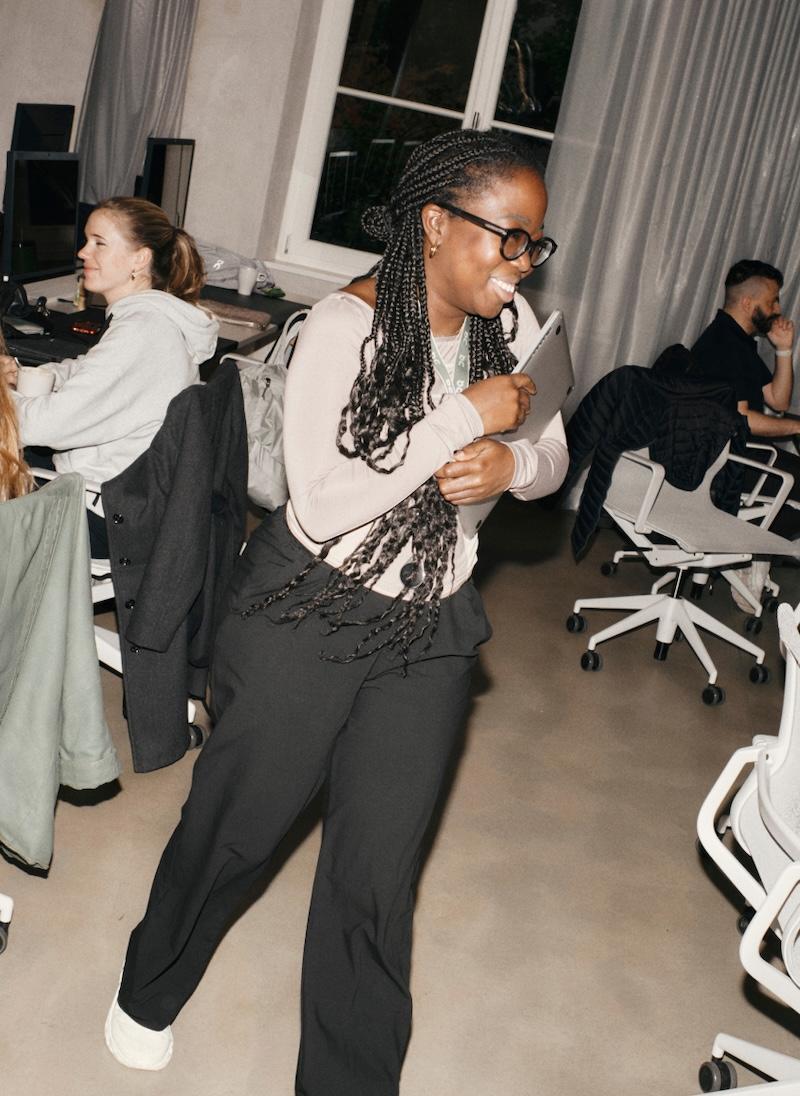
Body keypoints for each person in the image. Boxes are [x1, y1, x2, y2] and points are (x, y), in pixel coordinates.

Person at [103, 129, 569, 1093]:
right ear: (437, 225)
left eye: (535, 244)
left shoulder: (514, 328)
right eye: (507, 238)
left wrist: (517, 463)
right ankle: (147, 988)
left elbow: (556, 445)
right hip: (303, 611)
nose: (522, 265)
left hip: (430, 625)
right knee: (238, 829)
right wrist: (462, 419)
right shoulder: (340, 330)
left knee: (376, 875)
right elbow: (320, 500)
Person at [0, 197, 218, 554]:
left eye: (99, 243)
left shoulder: (143, 332)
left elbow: (44, 426)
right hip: (117, 495)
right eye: (87, 241)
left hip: (104, 516)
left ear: (140, 258)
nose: (84, 252)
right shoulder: (145, 318)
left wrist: (3, 394)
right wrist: (23, 375)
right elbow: (87, 371)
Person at [691, 259, 796, 440]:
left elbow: (779, 402)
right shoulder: (724, 344)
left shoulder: (737, 340)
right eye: (772, 302)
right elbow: (741, 418)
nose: (778, 310)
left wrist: (783, 349)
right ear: (747, 304)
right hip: (729, 460)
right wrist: (797, 427)